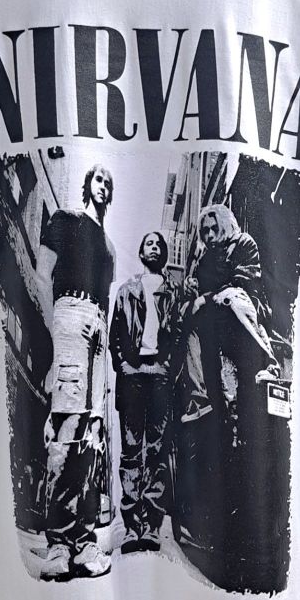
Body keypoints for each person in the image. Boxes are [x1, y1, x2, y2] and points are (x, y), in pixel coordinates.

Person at [32, 164, 116, 580]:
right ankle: (58, 544)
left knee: (92, 434)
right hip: (70, 314)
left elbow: (107, 299)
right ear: (87, 185)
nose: (103, 186)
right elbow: (41, 275)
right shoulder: (65, 219)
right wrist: (56, 336)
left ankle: (84, 542)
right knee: (67, 425)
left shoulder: (109, 247)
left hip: (98, 325)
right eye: (98, 179)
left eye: (108, 182)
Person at [108, 232, 182, 554]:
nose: (154, 247)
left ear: (164, 254)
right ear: (140, 252)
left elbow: (179, 334)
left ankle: (151, 526)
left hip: (160, 373)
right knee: (130, 450)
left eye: (158, 244)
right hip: (133, 373)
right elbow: (115, 335)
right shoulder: (127, 291)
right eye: (149, 243)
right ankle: (131, 528)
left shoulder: (173, 292)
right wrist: (124, 366)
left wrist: (168, 367)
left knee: (157, 449)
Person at [179, 204, 280, 425]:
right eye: (205, 231)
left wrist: (205, 297)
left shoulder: (244, 243)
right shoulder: (204, 259)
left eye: (213, 228)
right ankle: (199, 397)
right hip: (218, 321)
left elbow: (242, 281)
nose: (209, 235)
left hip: (244, 308)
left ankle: (268, 364)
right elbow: (200, 295)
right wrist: (192, 288)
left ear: (224, 225)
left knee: (229, 296)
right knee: (190, 318)